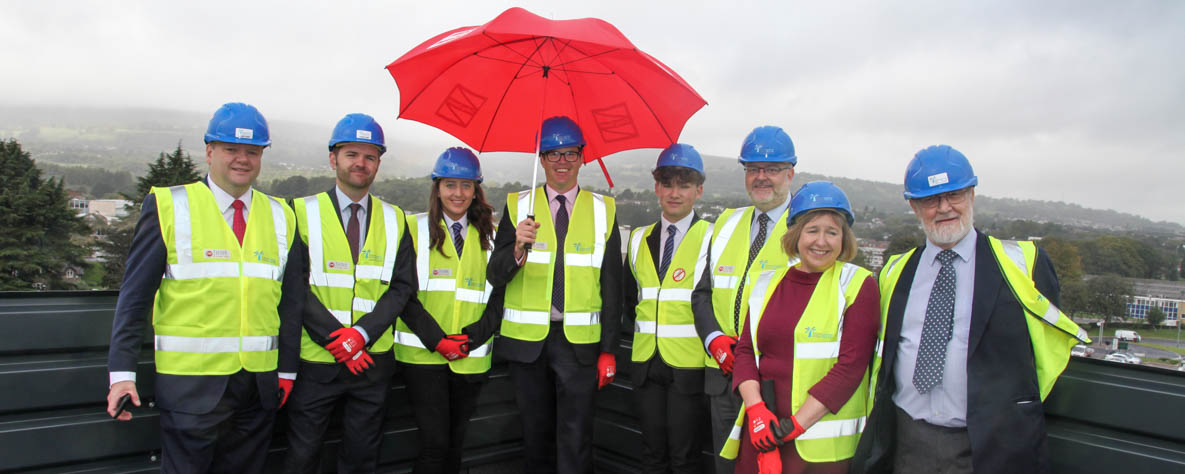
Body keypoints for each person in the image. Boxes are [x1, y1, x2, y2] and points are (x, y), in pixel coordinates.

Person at [850, 145, 1090, 473]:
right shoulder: (894, 271)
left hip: (991, 446)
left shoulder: (1026, 264)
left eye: (955, 195)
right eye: (931, 200)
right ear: (914, 206)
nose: (945, 208)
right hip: (908, 442)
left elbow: (1044, 349)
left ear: (972, 194)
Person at [105, 102, 301, 474]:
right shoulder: (168, 206)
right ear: (209, 151)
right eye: (231, 149)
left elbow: (290, 305)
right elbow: (134, 299)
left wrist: (286, 372)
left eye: (253, 151)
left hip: (258, 390)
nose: (242, 159)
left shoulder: (282, 215)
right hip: (190, 390)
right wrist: (121, 376)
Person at [282, 113, 422, 473]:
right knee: (302, 456)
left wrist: (359, 336)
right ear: (334, 159)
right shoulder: (299, 212)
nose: (361, 163)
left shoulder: (396, 219)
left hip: (372, 363)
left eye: (370, 156)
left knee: (362, 459)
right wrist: (338, 341)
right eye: (352, 154)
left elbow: (401, 287)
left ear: (378, 163)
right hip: (315, 362)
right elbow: (294, 288)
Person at [486, 116, 622, 474]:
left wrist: (608, 349)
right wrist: (517, 247)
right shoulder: (518, 206)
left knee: (577, 437)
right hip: (527, 344)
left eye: (570, 153)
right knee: (535, 435)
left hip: (579, 345)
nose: (562, 161)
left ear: (582, 157)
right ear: (541, 159)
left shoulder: (603, 209)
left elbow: (612, 286)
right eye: (552, 153)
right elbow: (494, 274)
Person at [719, 181, 880, 474]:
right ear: (795, 235)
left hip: (818, 449)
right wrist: (755, 410)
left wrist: (793, 426)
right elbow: (745, 351)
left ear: (844, 238)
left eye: (832, 232)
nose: (822, 241)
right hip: (762, 432)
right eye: (812, 230)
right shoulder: (766, 283)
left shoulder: (857, 285)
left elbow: (850, 367)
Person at [394, 147, 505, 474]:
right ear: (437, 188)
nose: (458, 193)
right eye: (450, 185)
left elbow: (498, 299)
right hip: (423, 358)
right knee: (434, 444)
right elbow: (404, 295)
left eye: (466, 185)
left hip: (469, 358)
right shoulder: (412, 230)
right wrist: (438, 341)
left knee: (456, 444)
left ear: (476, 191)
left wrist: (469, 340)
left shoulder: (493, 237)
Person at [699, 125, 799, 474]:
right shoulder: (726, 222)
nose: (761, 177)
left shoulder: (806, 229)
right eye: (753, 169)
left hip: (776, 383)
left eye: (771, 169)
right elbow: (702, 294)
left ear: (790, 173)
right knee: (725, 467)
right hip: (724, 377)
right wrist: (714, 341)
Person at [622, 144, 713, 474]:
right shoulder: (638, 238)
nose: (675, 193)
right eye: (668, 183)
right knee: (652, 453)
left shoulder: (712, 238)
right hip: (646, 365)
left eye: (684, 184)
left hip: (688, 368)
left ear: (698, 190)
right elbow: (630, 301)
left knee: (684, 457)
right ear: (657, 186)